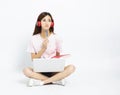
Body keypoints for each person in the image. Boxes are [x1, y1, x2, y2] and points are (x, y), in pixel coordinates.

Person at [23, 12, 75, 86]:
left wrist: (55, 64)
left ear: (52, 23)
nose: (47, 22)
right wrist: (43, 49)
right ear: (39, 23)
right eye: (44, 20)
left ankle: (43, 81)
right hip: (40, 71)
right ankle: (56, 80)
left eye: (49, 20)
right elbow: (33, 58)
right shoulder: (33, 39)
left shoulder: (57, 38)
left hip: (54, 70)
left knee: (71, 68)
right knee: (26, 70)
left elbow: (58, 56)